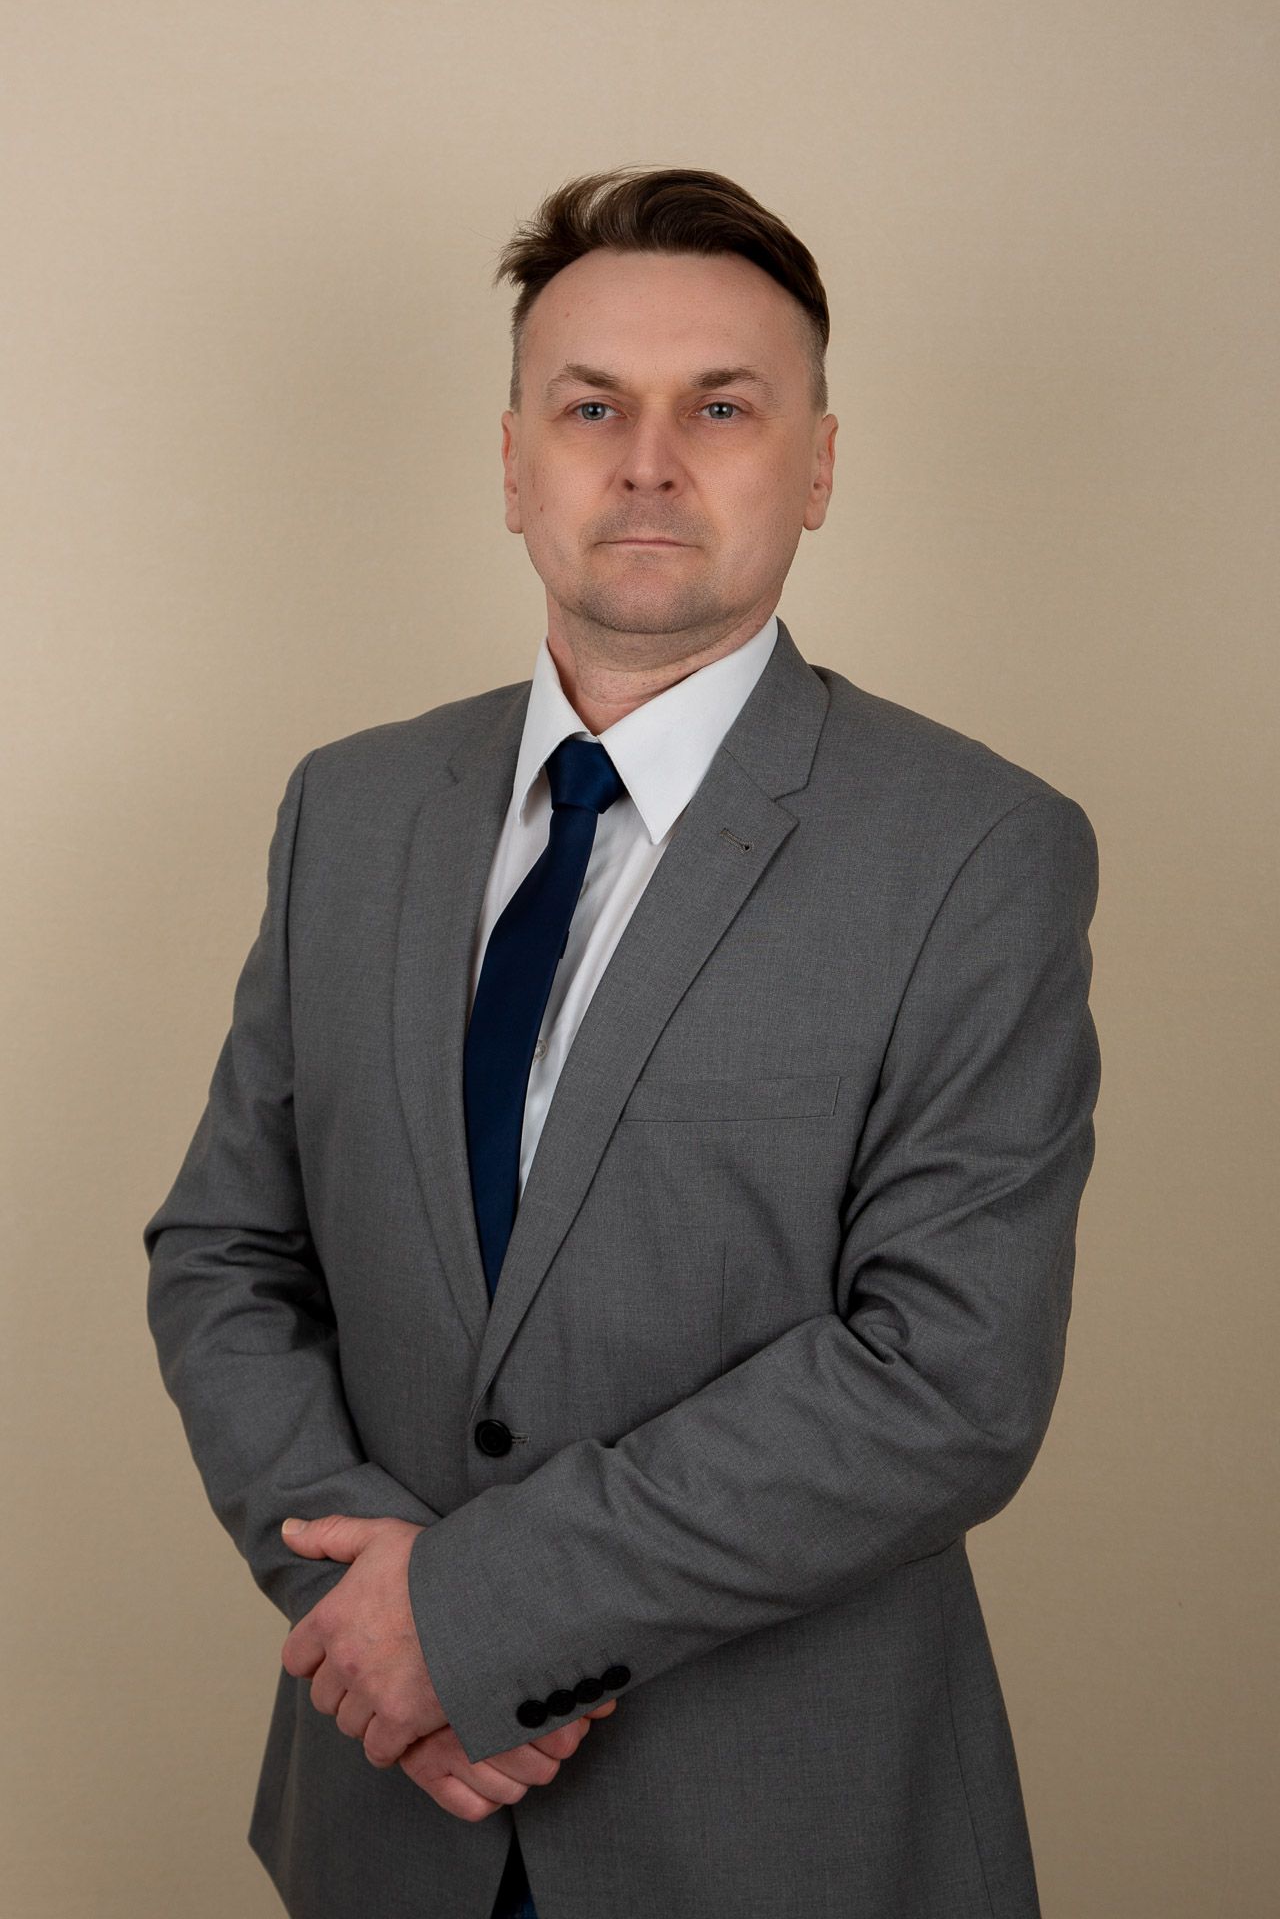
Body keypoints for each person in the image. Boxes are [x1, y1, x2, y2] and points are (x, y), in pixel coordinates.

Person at [144, 164, 1102, 1919]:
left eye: (721, 408)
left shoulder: (977, 849)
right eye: (593, 407)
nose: (649, 462)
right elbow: (228, 1254)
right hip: (390, 1820)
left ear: (819, 465)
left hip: (789, 1842)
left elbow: (949, 1378)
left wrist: (471, 1620)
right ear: (515, 462)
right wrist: (363, 1618)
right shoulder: (350, 810)